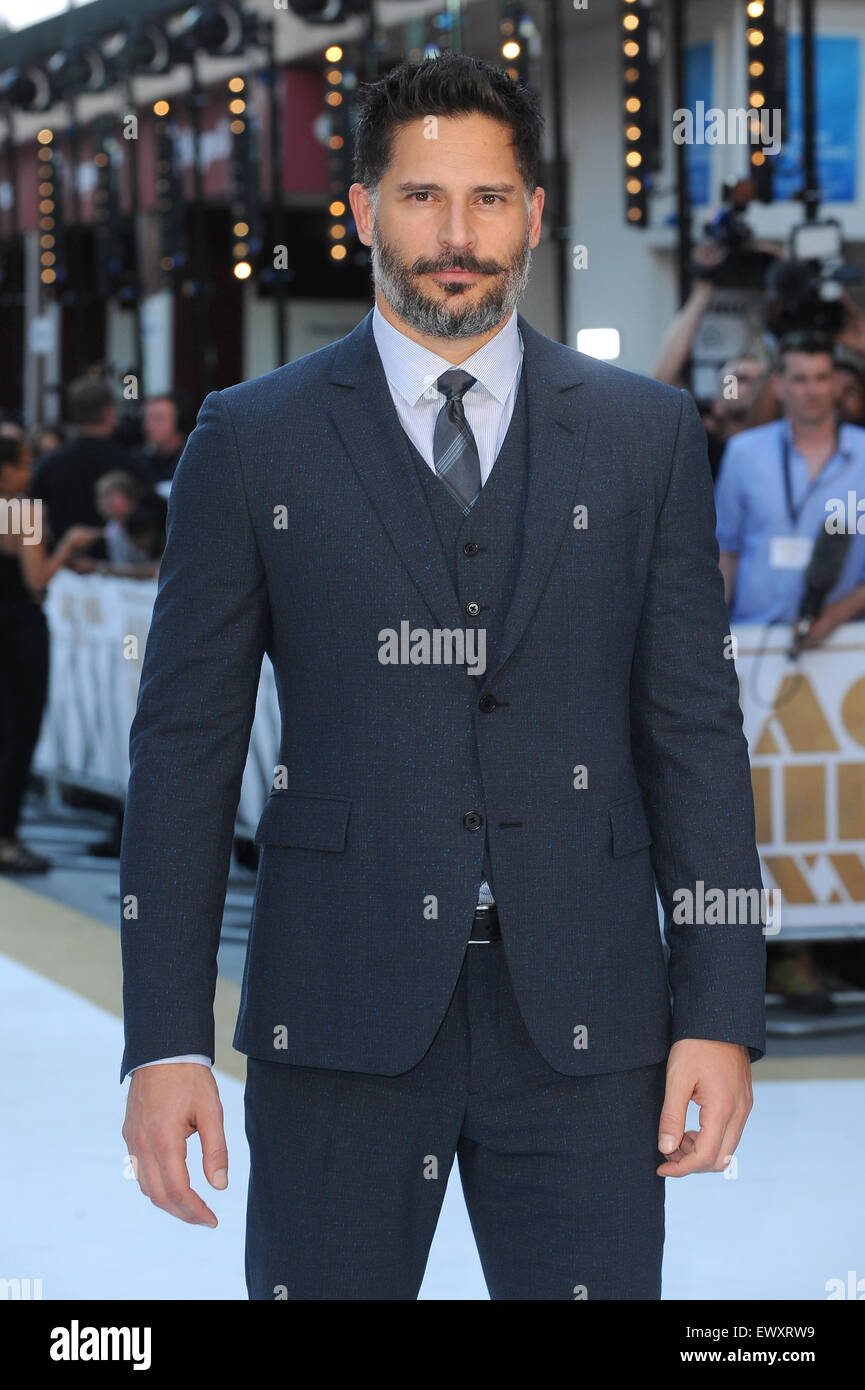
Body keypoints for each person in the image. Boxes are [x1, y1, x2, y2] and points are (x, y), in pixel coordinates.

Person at [120, 53, 766, 1301]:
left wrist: (719, 1008)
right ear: (361, 209)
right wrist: (162, 1040)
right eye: (420, 197)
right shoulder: (249, 440)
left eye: (486, 197)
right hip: (336, 1014)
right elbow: (184, 751)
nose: (454, 235)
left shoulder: (646, 437)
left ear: (534, 213)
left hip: (591, 1022)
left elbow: (694, 733)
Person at [715, 331, 865, 638]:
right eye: (800, 379)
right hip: (752, 635)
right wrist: (711, 629)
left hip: (843, 643)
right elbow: (726, 551)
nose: (812, 390)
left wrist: (835, 616)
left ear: (835, 383)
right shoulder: (744, 452)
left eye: (821, 378)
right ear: (778, 386)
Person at [0, 434, 101, 871]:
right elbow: (37, 579)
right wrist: (68, 546)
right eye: (23, 464)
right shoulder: (21, 512)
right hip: (20, 630)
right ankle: (5, 837)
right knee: (19, 733)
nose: (28, 473)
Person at [29, 377, 151, 559]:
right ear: (109, 412)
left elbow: (32, 518)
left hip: (64, 565)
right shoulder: (130, 462)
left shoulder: (49, 464)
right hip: (120, 571)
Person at [134, 391, 192, 492]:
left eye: (158, 418)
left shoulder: (193, 463)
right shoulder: (139, 462)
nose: (149, 426)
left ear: (179, 422)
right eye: (146, 419)